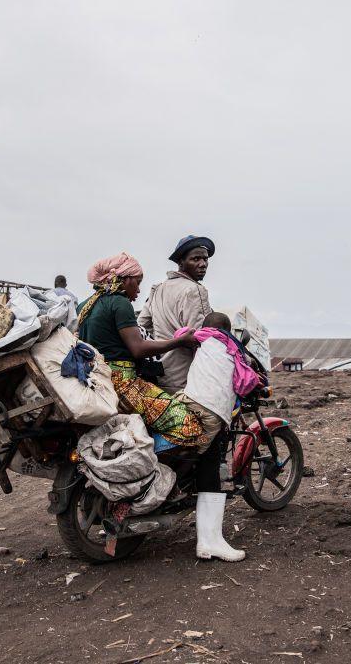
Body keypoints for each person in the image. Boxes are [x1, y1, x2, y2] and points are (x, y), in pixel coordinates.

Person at [76, 252, 202, 450]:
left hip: (95, 382)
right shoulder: (119, 302)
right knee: (188, 425)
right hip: (123, 383)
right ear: (125, 280)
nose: (139, 288)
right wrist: (179, 341)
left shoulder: (85, 305)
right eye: (137, 281)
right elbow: (138, 348)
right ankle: (147, 461)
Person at [174, 311, 260, 562]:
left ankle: (208, 539)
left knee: (198, 455)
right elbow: (245, 383)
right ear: (229, 330)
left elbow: (181, 334)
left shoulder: (200, 337)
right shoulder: (233, 347)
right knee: (202, 459)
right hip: (212, 411)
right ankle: (209, 541)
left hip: (187, 400)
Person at [137, 235, 214, 394]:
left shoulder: (158, 288)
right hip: (187, 378)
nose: (203, 264)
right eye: (196, 259)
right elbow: (203, 338)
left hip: (160, 374)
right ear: (181, 262)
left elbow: (141, 326)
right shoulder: (195, 290)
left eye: (205, 259)